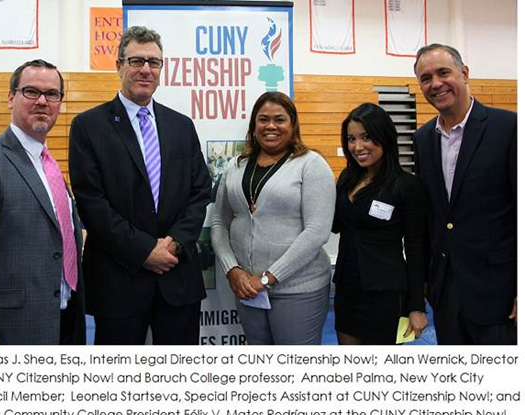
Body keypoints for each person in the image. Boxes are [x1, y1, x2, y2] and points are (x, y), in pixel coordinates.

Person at [69, 26, 211, 345]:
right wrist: (145, 251)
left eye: (154, 62)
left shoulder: (182, 126)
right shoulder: (88, 127)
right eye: (136, 60)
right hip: (119, 281)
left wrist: (174, 243)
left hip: (177, 280)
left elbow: (200, 191)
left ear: (162, 69)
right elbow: (92, 204)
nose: (145, 69)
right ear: (118, 65)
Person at [0, 59, 85, 345]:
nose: (43, 101)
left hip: (66, 321)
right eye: (31, 92)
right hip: (13, 329)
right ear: (10, 98)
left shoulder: (51, 167)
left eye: (52, 94)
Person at [211, 92, 335, 345]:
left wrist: (268, 278)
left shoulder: (311, 164)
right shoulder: (236, 166)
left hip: (299, 290)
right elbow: (219, 222)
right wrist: (232, 269)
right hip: (247, 288)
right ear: (254, 125)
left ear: (293, 124)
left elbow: (317, 231)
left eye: (279, 119)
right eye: (263, 119)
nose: (270, 126)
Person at [413, 43, 517, 345]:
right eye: (426, 78)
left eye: (443, 72)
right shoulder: (423, 139)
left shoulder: (508, 128)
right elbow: (431, 217)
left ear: (465, 73)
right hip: (446, 293)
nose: (436, 83)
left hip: (499, 293)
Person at [332, 103, 428, 345]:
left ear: (383, 136)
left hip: (385, 294)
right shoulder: (346, 179)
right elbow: (333, 223)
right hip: (347, 289)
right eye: (351, 139)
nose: (357, 146)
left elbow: (417, 249)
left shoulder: (406, 185)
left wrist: (417, 306)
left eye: (366, 137)